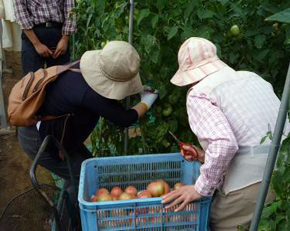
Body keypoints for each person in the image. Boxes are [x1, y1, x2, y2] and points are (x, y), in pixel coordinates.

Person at [161, 37, 277, 231]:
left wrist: (200, 188)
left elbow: (224, 145)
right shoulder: (253, 78)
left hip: (251, 182)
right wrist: (205, 156)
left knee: (215, 222)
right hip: (283, 172)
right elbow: (253, 140)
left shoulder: (200, 93)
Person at [17, 41, 158, 183]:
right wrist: (146, 102)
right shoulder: (90, 95)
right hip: (40, 139)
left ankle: (72, 199)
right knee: (87, 179)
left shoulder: (81, 67)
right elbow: (125, 119)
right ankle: (73, 204)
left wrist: (137, 90)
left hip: (55, 131)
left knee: (86, 170)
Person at [13, 0, 76, 75]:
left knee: (60, 78)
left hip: (58, 35)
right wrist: (37, 44)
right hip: (32, 35)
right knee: (32, 78)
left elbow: (71, 11)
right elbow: (20, 13)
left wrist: (64, 39)